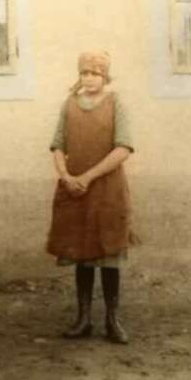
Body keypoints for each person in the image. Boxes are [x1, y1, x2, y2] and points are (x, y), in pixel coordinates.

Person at [46, 50, 135, 345]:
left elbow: (123, 148)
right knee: (82, 255)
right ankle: (83, 319)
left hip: (107, 189)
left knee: (109, 257)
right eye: (84, 73)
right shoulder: (69, 105)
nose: (89, 78)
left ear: (105, 76)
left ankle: (112, 320)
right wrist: (66, 176)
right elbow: (58, 145)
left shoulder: (116, 103)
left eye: (95, 73)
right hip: (75, 191)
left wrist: (88, 177)